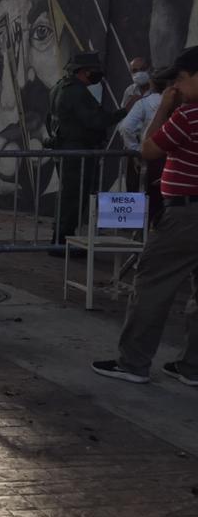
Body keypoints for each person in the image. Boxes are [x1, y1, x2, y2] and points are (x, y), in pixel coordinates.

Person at [92, 46, 198, 386]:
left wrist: (166, 107)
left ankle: (133, 362)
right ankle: (192, 366)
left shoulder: (188, 115)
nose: (177, 87)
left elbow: (150, 147)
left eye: (181, 80)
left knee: (152, 285)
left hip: (185, 214)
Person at [47, 52, 129, 247]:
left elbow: (50, 119)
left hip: (67, 150)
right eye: (94, 71)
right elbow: (97, 120)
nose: (97, 75)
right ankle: (61, 242)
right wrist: (124, 110)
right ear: (84, 71)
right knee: (74, 198)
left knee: (69, 196)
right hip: (77, 153)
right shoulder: (77, 92)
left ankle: (60, 240)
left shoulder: (59, 87)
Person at [121, 68, 169, 195]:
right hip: (172, 155)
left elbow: (125, 127)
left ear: (152, 84)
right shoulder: (180, 101)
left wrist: (136, 151)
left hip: (149, 152)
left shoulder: (143, 103)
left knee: (146, 194)